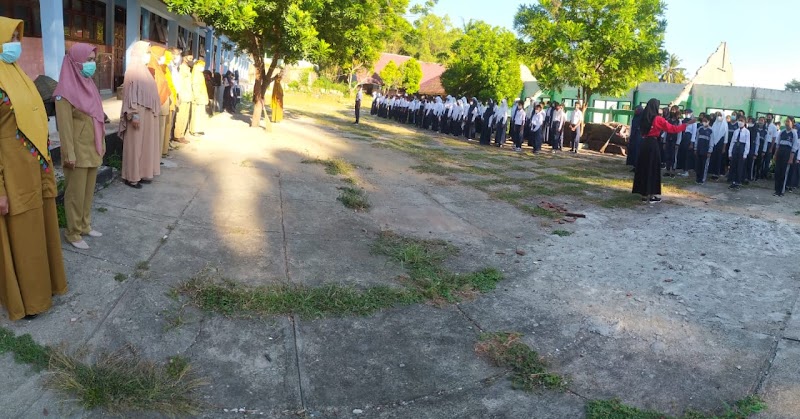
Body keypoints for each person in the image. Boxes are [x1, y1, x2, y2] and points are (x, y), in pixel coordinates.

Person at [0, 17, 68, 320]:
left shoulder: (18, 74)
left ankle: (46, 286)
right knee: (23, 236)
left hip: (34, 168)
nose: (16, 42)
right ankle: (29, 301)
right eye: (10, 37)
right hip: (11, 174)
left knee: (41, 231)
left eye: (17, 36)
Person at [54, 43, 106, 250]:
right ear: (76, 61)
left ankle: (85, 225)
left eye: (94, 60)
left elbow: (97, 117)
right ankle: (73, 233)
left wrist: (100, 143)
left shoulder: (89, 84)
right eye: (88, 60)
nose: (92, 64)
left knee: (88, 192)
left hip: (92, 148)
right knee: (75, 194)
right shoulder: (64, 92)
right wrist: (69, 154)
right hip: (76, 152)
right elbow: (65, 128)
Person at [632, 98, 694, 203]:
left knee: (644, 168)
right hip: (653, 144)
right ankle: (651, 195)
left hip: (644, 144)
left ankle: (643, 194)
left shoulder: (643, 118)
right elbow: (673, 129)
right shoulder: (657, 119)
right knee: (653, 169)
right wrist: (686, 125)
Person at [119, 41, 161, 189]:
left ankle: (142, 173)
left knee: (146, 146)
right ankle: (131, 177)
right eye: (147, 52)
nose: (149, 55)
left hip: (148, 114)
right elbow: (130, 94)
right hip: (138, 115)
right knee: (134, 146)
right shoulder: (132, 70)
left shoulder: (144, 70)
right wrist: (134, 114)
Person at [146, 45, 172, 158]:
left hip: (163, 102)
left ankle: (158, 155)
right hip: (158, 104)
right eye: (161, 55)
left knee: (160, 132)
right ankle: (156, 157)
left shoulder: (159, 68)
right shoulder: (151, 68)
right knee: (157, 133)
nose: (162, 58)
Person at [773, 117, 799, 197]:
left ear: (792, 123)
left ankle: (781, 191)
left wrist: (791, 158)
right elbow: (777, 144)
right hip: (780, 152)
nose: (787, 123)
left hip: (787, 154)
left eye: (788, 121)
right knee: (777, 172)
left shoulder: (794, 133)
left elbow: (794, 147)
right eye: (786, 121)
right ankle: (776, 190)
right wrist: (775, 154)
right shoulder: (782, 132)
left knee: (784, 173)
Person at [173, 53, 193, 144]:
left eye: (192, 58)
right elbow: (179, 83)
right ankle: (178, 135)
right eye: (189, 57)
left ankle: (181, 134)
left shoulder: (188, 68)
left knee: (185, 116)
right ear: (184, 58)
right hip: (183, 95)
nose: (191, 60)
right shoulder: (181, 68)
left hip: (188, 95)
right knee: (180, 116)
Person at [727, 116, 750, 189]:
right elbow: (732, 142)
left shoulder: (747, 132)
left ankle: (738, 182)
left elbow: (747, 143)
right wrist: (730, 152)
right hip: (735, 148)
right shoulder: (736, 131)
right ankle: (733, 181)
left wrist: (745, 154)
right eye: (739, 120)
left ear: (745, 122)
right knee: (733, 165)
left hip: (741, 148)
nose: (740, 122)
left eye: (742, 121)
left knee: (740, 166)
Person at [693, 115, 714, 184]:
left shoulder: (711, 130)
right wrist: (695, 148)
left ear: (708, 121)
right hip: (699, 149)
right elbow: (696, 139)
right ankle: (698, 178)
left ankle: (702, 179)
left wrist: (709, 151)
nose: (704, 122)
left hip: (706, 150)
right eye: (703, 121)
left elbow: (712, 142)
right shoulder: (699, 129)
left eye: (706, 121)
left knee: (704, 165)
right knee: (698, 164)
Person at [190, 55, 208, 135]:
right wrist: (197, 96)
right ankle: (194, 130)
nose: (203, 67)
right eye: (201, 66)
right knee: (196, 114)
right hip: (197, 97)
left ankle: (199, 129)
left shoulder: (200, 74)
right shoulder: (196, 74)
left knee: (200, 114)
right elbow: (195, 85)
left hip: (202, 97)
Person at [676, 108, 696, 177]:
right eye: (685, 112)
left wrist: (692, 143)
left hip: (689, 138)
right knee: (683, 154)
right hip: (683, 137)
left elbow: (694, 133)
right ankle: (683, 169)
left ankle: (687, 170)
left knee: (687, 155)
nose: (686, 114)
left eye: (688, 113)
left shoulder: (693, 121)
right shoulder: (683, 121)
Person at [626, 105, 643, 170]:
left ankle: (637, 166)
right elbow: (632, 126)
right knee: (633, 150)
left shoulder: (642, 117)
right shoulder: (635, 117)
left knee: (637, 151)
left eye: (637, 110)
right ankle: (633, 165)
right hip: (633, 136)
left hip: (639, 136)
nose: (635, 111)